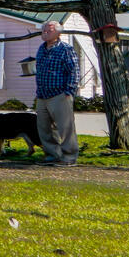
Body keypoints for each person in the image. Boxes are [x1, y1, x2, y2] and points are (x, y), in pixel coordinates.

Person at [33, 23, 81, 165]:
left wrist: (69, 91)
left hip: (60, 94)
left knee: (65, 128)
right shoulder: (41, 49)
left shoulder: (66, 49)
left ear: (58, 33)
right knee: (44, 128)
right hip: (42, 95)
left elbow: (74, 71)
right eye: (44, 30)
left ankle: (69, 157)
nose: (45, 32)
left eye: (49, 30)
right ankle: (52, 155)